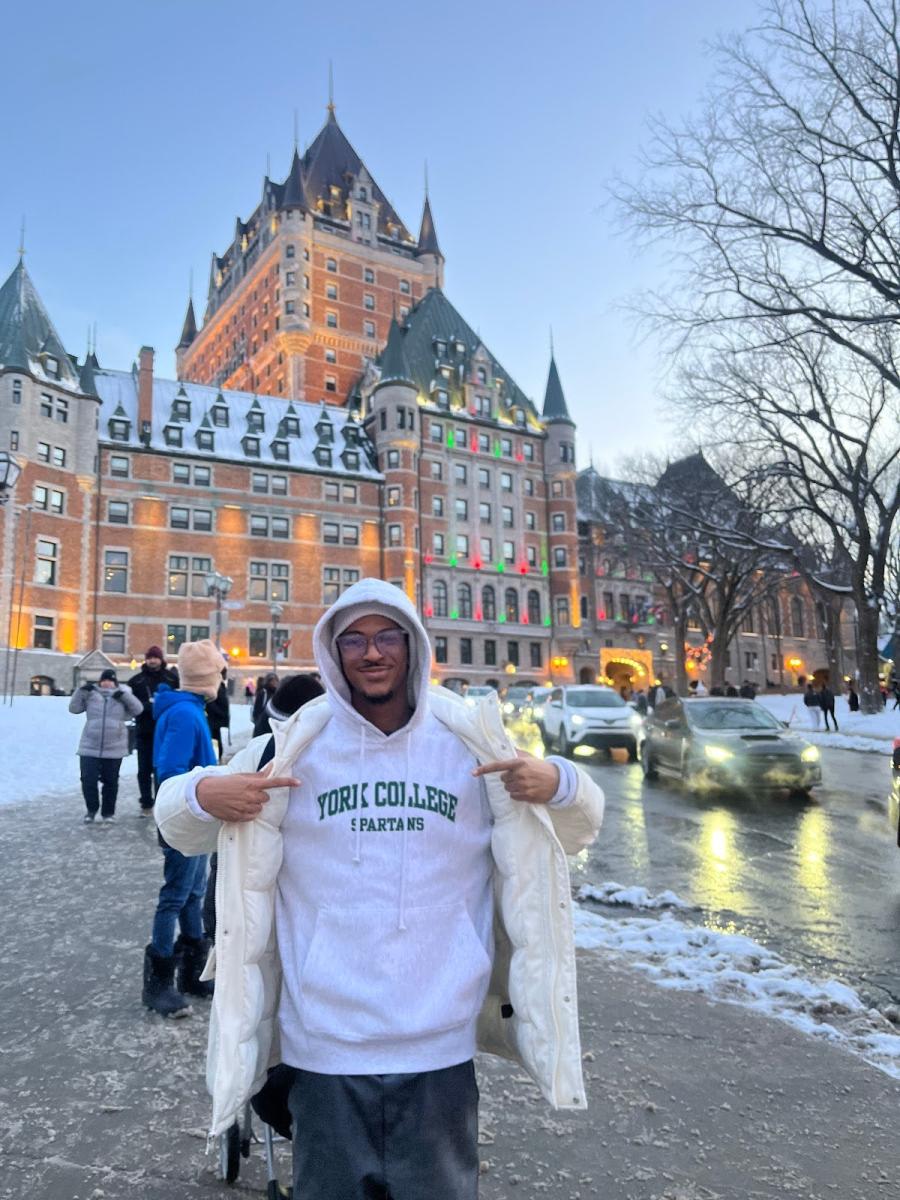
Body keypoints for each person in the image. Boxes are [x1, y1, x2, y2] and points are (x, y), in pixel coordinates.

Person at [156, 578, 604, 1198]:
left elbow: (582, 826)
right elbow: (173, 820)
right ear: (333, 653)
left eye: (387, 636)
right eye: (354, 640)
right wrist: (204, 793)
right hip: (324, 1046)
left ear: (413, 643)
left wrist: (559, 781)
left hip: (438, 1047)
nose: (372, 652)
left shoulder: (473, 745)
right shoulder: (290, 748)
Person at [143, 640, 224, 1018]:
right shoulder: (185, 714)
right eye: (219, 673)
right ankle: (158, 981)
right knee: (176, 895)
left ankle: (192, 971)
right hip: (185, 819)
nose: (222, 680)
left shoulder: (191, 711)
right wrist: (201, 791)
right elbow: (171, 769)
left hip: (196, 817)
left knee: (193, 893)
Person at [69, 670, 143, 825]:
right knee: (88, 779)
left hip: (114, 746)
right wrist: (80, 691)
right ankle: (91, 810)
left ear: (115, 683)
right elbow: (74, 709)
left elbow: (138, 709)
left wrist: (124, 696)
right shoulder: (91, 695)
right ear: (100, 681)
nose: (107, 683)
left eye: (110, 681)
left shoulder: (122, 694)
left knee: (111, 781)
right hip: (89, 745)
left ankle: (108, 813)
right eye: (104, 680)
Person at [128, 646, 179, 815]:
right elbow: (130, 704)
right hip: (144, 731)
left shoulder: (171, 679)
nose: (152, 661)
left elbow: (177, 701)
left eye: (155, 658)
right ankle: (146, 802)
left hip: (166, 732)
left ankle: (161, 801)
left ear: (161, 659)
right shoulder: (136, 681)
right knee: (144, 770)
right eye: (150, 658)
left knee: (162, 768)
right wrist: (147, 706)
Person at [206, 668, 231, 760]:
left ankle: (216, 757)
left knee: (216, 738)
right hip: (213, 718)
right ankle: (214, 757)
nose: (225, 676)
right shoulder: (214, 686)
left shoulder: (220, 685)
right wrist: (221, 713)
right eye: (224, 674)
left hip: (217, 719)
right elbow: (210, 702)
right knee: (213, 739)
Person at [251, 672, 279, 736]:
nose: (274, 683)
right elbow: (257, 709)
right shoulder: (263, 693)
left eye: (276, 681)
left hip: (273, 725)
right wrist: (258, 722)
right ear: (268, 682)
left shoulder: (277, 694)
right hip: (262, 725)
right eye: (272, 681)